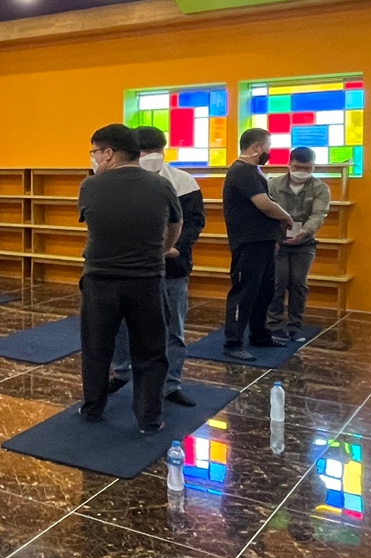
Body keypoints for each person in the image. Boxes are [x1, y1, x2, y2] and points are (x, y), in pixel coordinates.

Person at [78, 124, 183, 433]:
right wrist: (160, 250)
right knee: (151, 352)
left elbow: (95, 226)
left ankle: (93, 408)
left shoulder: (90, 186)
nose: (95, 158)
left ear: (109, 153)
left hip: (100, 279)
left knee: (97, 349)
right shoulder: (161, 185)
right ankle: (149, 419)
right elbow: (175, 226)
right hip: (147, 279)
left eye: (95, 152)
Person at [107, 126, 205, 407]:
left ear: (164, 150)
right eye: (144, 152)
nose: (150, 156)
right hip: (130, 266)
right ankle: (122, 372)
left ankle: (171, 384)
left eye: (155, 151)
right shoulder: (118, 181)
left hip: (172, 267)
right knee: (122, 325)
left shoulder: (183, 182)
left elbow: (193, 222)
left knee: (173, 328)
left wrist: (174, 248)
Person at [222, 127, 296, 362]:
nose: (269, 151)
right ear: (256, 147)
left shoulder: (254, 171)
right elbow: (263, 203)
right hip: (248, 242)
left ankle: (259, 335)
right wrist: (286, 216)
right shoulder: (241, 171)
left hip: (263, 242)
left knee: (264, 292)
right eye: (268, 146)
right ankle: (233, 343)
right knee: (244, 293)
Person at [267, 147, 332, 342]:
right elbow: (266, 210)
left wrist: (305, 231)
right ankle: (273, 325)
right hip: (278, 243)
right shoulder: (272, 184)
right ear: (289, 164)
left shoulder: (320, 188)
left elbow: (319, 214)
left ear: (313, 167)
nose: (301, 171)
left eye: (307, 168)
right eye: (297, 167)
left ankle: (295, 326)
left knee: (298, 283)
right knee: (277, 283)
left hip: (304, 244)